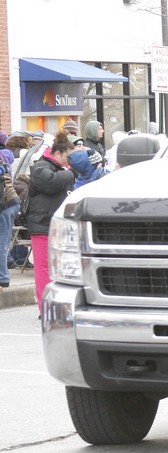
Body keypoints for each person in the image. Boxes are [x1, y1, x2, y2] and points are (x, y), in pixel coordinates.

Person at [26, 131, 75, 316]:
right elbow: (50, 183)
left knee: (59, 268)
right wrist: (71, 173)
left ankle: (57, 306)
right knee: (44, 269)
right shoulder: (41, 167)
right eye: (67, 157)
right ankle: (45, 308)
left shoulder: (60, 169)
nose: (68, 161)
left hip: (56, 224)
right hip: (42, 225)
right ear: (57, 153)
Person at [0, 145, 19, 288]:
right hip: (11, 203)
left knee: (2, 243)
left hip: (5, 205)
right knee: (3, 241)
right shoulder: (3, 157)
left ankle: (3, 277)